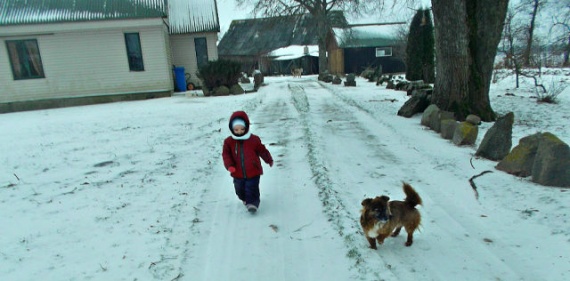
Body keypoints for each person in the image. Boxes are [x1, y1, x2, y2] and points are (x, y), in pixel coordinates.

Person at [222, 111, 273, 213]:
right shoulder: (229, 142)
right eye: (236, 129)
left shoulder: (253, 140)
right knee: (239, 190)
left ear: (246, 127)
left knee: (252, 188)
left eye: (242, 129)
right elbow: (226, 155)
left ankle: (253, 204)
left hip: (253, 171)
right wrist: (229, 165)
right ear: (232, 129)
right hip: (237, 172)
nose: (239, 132)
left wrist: (268, 159)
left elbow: (262, 150)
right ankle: (245, 199)